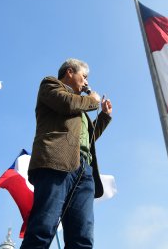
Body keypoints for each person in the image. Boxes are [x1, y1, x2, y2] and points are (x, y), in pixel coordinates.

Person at [20, 58, 112, 249]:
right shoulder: (50, 84)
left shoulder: (81, 109)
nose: (86, 82)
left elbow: (89, 137)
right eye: (84, 77)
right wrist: (92, 100)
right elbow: (65, 103)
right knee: (43, 228)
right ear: (70, 72)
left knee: (82, 237)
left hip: (85, 172)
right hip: (56, 162)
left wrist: (104, 116)